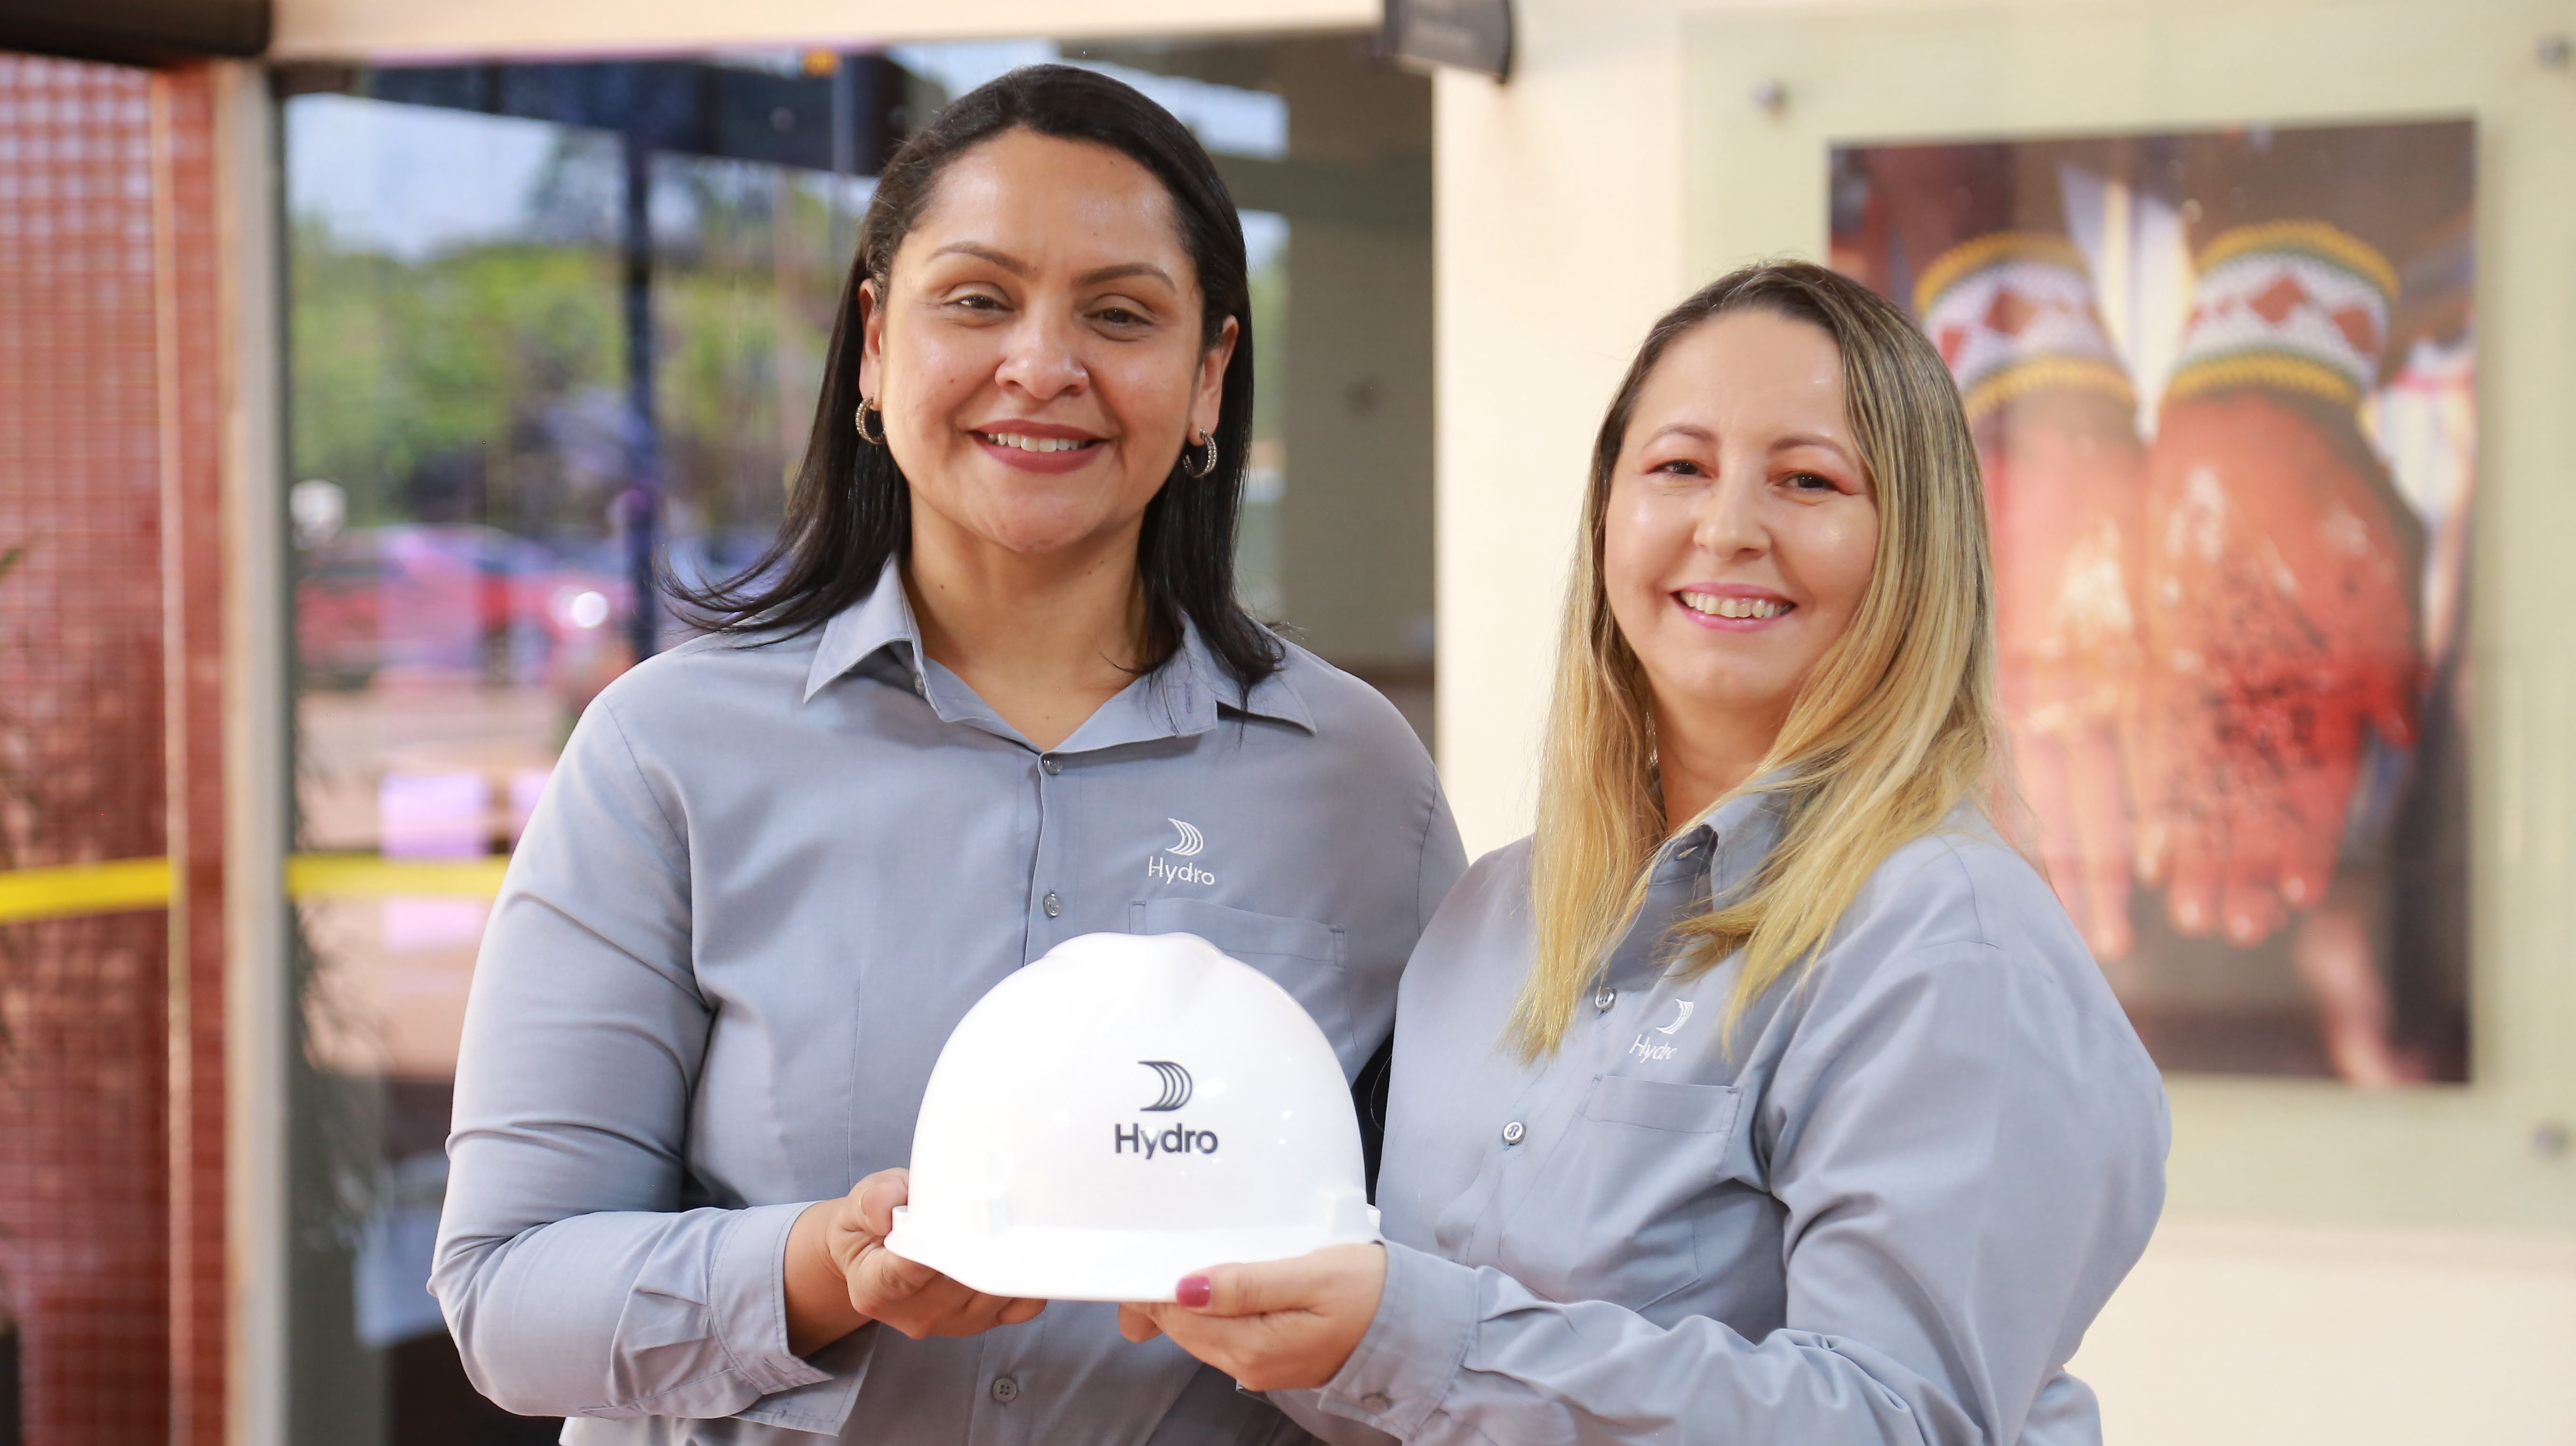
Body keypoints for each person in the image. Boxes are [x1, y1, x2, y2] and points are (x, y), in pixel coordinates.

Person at [431, 66, 1465, 1445]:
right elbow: (505, 1299)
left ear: (1210, 375)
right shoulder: (667, 752)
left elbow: (1447, 1270)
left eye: (1120, 313)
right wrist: (813, 1272)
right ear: (874, 342)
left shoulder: (1357, 778)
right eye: (977, 299)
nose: (1041, 365)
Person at [1122, 262, 2168, 1445]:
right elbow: (1401, 1370)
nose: (1728, 529)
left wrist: (1413, 1335)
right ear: (1609, 516)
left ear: (1914, 547)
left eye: (1808, 480)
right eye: (1678, 468)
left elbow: (1895, 1422)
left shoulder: (1950, 938)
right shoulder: (1490, 917)